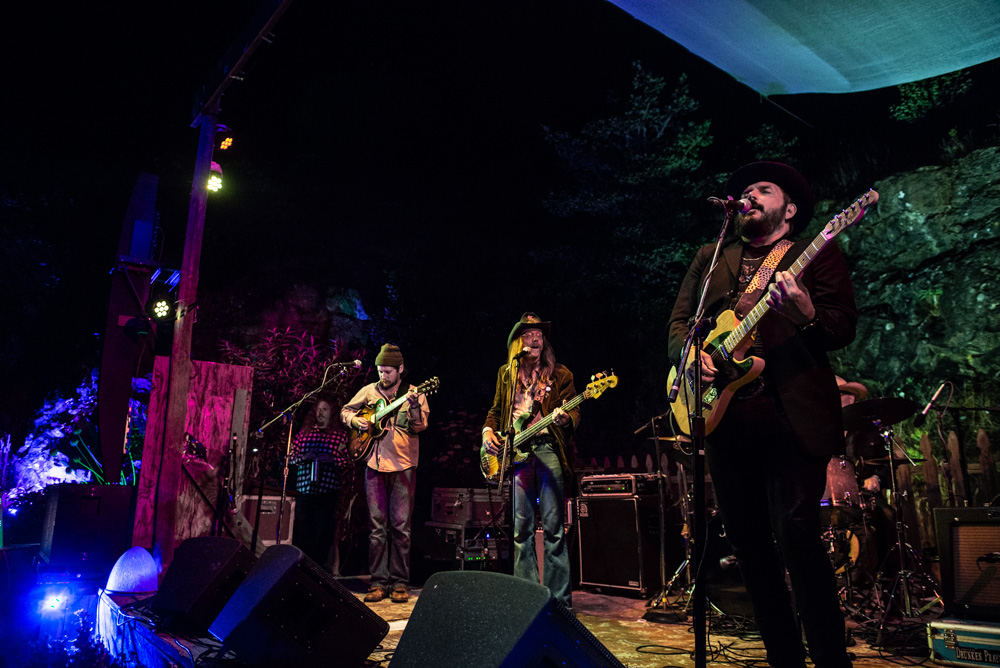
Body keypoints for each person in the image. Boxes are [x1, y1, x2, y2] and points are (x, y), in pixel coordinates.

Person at [667, 162, 858, 668]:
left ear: (789, 209)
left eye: (763, 189)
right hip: (726, 420)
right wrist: (689, 357)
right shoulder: (713, 257)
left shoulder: (813, 254)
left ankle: (831, 660)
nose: (749, 194)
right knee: (750, 548)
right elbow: (680, 323)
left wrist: (805, 313)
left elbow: (841, 328)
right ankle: (784, 660)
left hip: (789, 415)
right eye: (745, 190)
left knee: (797, 538)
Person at [482, 312, 578, 610]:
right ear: (517, 342)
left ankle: (558, 602)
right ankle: (525, 599)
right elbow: (497, 410)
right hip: (516, 453)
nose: (535, 338)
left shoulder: (561, 374)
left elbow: (574, 413)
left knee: (553, 528)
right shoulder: (506, 373)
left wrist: (563, 419)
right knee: (520, 529)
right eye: (528, 334)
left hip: (548, 448)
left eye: (538, 333)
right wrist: (487, 431)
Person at [341, 344, 428, 603]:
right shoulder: (368, 391)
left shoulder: (414, 393)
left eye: (388, 371)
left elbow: (421, 426)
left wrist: (412, 407)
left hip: (403, 467)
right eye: (380, 371)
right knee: (376, 528)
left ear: (400, 369)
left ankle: (400, 582)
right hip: (373, 465)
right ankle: (378, 582)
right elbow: (346, 411)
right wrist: (357, 422)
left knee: (401, 528)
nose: (383, 376)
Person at [288, 398, 352, 570]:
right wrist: (303, 458)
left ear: (331, 413)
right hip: (304, 490)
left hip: (327, 491)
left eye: (325, 409)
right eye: (318, 409)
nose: (320, 413)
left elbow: (349, 461)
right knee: (303, 531)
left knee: (322, 532)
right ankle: (301, 566)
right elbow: (291, 458)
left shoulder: (339, 436)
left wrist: (333, 459)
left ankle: (319, 569)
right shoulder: (304, 434)